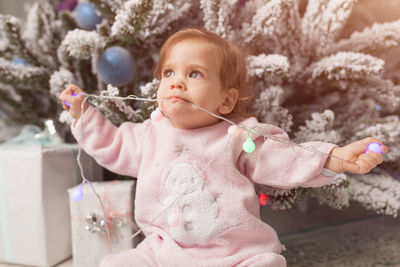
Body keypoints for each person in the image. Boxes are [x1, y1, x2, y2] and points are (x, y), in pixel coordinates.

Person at [59, 28, 388, 267]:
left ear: (226, 99)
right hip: (163, 253)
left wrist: (334, 158)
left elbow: (286, 158)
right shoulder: (150, 135)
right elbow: (111, 145)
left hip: (235, 254)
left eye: (195, 74)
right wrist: (82, 115)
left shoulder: (238, 138)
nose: (176, 82)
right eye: (169, 73)